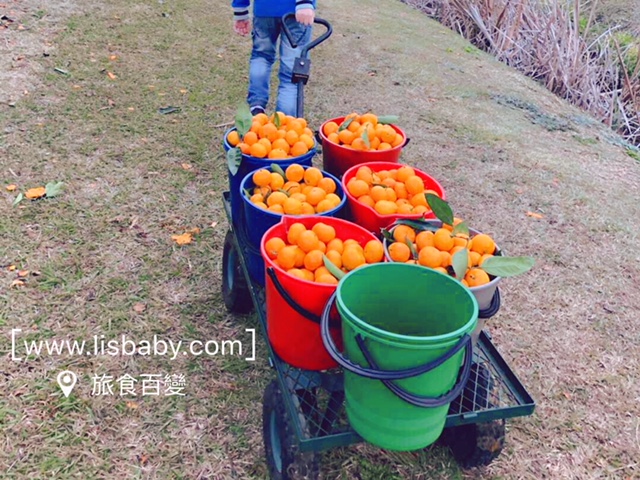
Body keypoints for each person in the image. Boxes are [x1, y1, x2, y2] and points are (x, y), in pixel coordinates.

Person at [232, 0, 316, 117]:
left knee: (261, 57)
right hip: (295, 11)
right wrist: (304, 3)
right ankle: (283, 124)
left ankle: (256, 108)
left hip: (264, 9)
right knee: (290, 74)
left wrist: (240, 10)